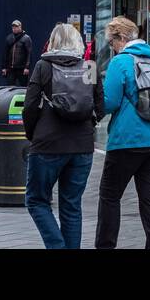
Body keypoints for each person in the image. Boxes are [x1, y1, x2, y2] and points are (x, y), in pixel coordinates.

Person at [95, 17, 150, 249]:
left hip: (129, 140)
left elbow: (109, 102)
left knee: (110, 196)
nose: (111, 48)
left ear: (120, 38)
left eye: (111, 43)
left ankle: (105, 246)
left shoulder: (120, 62)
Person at [23, 22, 105, 249]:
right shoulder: (89, 66)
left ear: (53, 42)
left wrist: (32, 134)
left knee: (37, 200)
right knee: (71, 205)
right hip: (82, 146)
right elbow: (100, 105)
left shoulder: (43, 66)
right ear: (78, 42)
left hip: (47, 143)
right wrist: (89, 125)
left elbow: (30, 106)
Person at [2, 20, 34, 86]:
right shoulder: (9, 38)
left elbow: (29, 54)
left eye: (16, 26)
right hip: (11, 68)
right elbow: (5, 53)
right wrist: (4, 67)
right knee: (10, 88)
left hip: (22, 69)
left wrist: (27, 67)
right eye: (13, 27)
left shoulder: (26, 38)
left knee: (23, 87)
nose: (14, 28)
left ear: (20, 27)